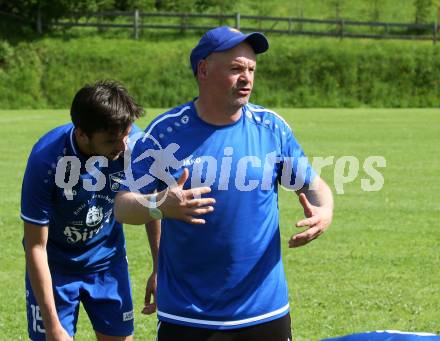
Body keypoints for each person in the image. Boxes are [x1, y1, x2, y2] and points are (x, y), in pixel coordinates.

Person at [115, 26, 334, 341]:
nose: (246, 77)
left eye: (251, 69)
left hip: (264, 310)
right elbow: (123, 206)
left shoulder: (271, 129)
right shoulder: (166, 133)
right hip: (188, 314)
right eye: (235, 69)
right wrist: (160, 205)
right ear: (204, 70)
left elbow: (313, 185)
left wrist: (325, 211)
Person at [21, 80, 215, 341]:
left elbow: (152, 202)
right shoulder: (47, 159)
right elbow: (35, 246)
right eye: (112, 140)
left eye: (126, 134)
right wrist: (53, 325)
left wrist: (159, 268)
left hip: (107, 265)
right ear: (82, 135)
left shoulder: (136, 146)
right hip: (55, 269)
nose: (123, 146)